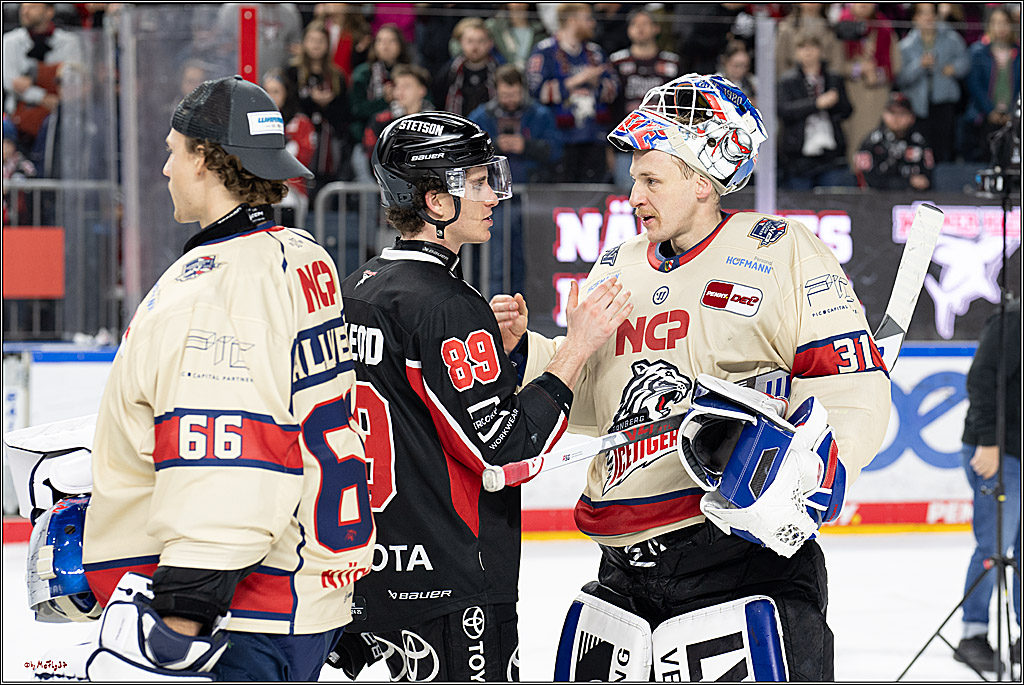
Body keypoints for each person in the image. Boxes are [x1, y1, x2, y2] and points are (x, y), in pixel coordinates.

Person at [494, 73, 891, 679]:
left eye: (652, 179)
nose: (636, 196)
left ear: (704, 182)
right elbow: (598, 398)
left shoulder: (782, 249)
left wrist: (814, 466)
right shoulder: (619, 261)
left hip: (740, 563)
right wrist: (531, 352)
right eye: (634, 181)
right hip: (623, 570)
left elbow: (849, 384)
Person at [34, 75, 375, 681]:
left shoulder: (218, 287)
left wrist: (181, 617)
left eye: (173, 151)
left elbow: (230, 451)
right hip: (303, 592)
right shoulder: (300, 254)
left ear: (207, 160)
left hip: (237, 618)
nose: (165, 168)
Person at [334, 111, 632, 682]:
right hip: (452, 583)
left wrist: (504, 354)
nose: (493, 195)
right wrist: (577, 349)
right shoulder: (446, 304)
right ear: (435, 201)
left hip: (375, 569)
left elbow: (419, 411)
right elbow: (504, 450)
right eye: (475, 183)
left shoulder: (363, 286)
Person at [955, 298, 1021, 674]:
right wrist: (987, 441)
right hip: (998, 451)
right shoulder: (1012, 321)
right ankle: (973, 634)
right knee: (994, 545)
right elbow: (981, 379)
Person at [469, 63, 563, 295]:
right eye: (504, 94)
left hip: (532, 197)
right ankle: (494, 306)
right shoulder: (482, 115)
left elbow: (557, 151)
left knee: (529, 259)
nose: (509, 99)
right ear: (496, 91)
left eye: (513, 94)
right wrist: (494, 146)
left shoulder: (540, 114)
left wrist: (527, 146)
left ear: (523, 90)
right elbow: (467, 151)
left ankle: (523, 308)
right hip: (495, 200)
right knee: (496, 259)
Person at [526, 3, 618, 183]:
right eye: (587, 19)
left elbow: (614, 90)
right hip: (558, 139)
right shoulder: (544, 51)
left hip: (593, 138)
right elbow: (535, 90)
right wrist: (577, 80)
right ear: (572, 20)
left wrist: (597, 83)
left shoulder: (596, 52)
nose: (592, 23)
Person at [608, 7, 680, 190]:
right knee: (628, 197)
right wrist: (609, 148)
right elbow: (610, 108)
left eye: (645, 24)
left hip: (664, 146)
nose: (640, 28)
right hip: (626, 146)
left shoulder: (672, 64)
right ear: (628, 30)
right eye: (635, 24)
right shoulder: (616, 63)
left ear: (656, 28)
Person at [778, 31, 856, 189]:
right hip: (799, 157)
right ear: (796, 52)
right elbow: (784, 111)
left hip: (831, 156)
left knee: (837, 203)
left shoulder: (833, 78)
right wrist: (816, 104)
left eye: (812, 47)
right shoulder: (787, 81)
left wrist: (835, 101)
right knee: (797, 209)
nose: (808, 52)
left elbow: (847, 111)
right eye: (802, 47)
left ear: (820, 50)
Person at [2, 2, 83, 150]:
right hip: (19, 117)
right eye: (23, 7)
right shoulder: (9, 41)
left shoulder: (70, 41)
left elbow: (73, 79)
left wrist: (34, 78)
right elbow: (9, 81)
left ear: (49, 11)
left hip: (61, 112)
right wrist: (43, 97)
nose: (25, 11)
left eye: (32, 6)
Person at [896, 2, 970, 164]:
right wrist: (919, 65)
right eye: (922, 13)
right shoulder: (905, 46)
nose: (928, 18)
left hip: (944, 103)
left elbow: (965, 62)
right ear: (915, 18)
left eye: (931, 13)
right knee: (919, 151)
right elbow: (900, 79)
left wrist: (954, 68)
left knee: (944, 149)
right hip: (917, 107)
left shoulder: (952, 39)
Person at [286, 18, 352, 196]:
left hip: (328, 143)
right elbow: (288, 105)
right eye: (312, 40)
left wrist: (326, 104)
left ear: (328, 44)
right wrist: (311, 101)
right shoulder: (292, 72)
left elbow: (344, 112)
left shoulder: (336, 75)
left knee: (324, 189)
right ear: (304, 42)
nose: (316, 45)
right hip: (300, 140)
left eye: (321, 41)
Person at [836, 2, 902, 170]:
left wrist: (878, 74)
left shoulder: (885, 28)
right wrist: (859, 69)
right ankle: (856, 181)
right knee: (854, 143)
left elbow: (896, 65)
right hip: (852, 95)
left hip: (878, 97)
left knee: (878, 141)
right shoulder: (841, 26)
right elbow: (833, 64)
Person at [962, 6, 1021, 163]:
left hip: (1014, 117)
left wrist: (1011, 112)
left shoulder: (1019, 53)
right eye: (995, 22)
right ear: (989, 25)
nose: (1000, 27)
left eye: (1004, 22)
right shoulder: (978, 52)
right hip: (983, 116)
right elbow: (974, 84)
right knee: (984, 156)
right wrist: (990, 111)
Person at [855, 91, 934, 191]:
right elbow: (866, 180)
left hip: (912, 201)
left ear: (911, 117)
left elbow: (926, 180)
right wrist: (906, 182)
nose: (896, 118)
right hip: (875, 200)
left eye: (902, 113)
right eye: (892, 113)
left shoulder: (919, 142)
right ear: (884, 114)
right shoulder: (871, 142)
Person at [434, 17, 501, 118]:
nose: (475, 47)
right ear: (461, 42)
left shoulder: (498, 71)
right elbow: (438, 102)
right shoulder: (450, 71)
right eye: (470, 41)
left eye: (481, 41)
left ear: (490, 43)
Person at [774, 3, 845, 78]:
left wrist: (832, 84)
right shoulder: (787, 27)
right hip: (794, 81)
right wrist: (788, 82)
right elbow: (780, 60)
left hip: (824, 81)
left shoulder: (830, 29)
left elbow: (837, 61)